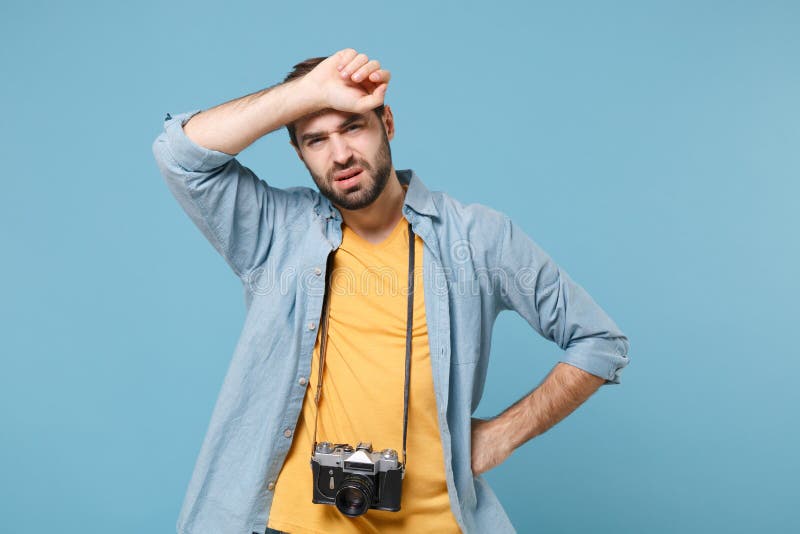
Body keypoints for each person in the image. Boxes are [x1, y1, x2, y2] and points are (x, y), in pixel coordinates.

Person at [152, 48, 630, 534]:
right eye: (316, 139)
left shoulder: (478, 240)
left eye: (353, 127)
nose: (339, 155)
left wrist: (503, 434)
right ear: (298, 153)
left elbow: (599, 341)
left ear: (388, 123)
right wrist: (306, 92)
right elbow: (181, 155)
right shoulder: (277, 233)